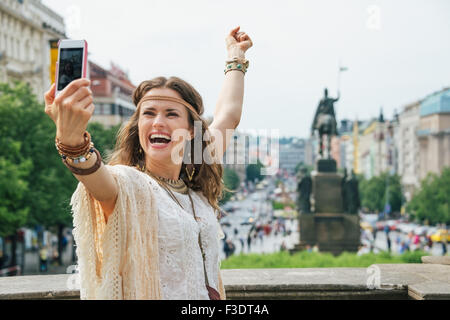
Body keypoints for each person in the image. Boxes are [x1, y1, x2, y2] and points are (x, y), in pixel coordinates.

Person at [43, 27, 253, 300]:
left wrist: (235, 58)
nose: (158, 122)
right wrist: (72, 141)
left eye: (171, 113)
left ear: (191, 130)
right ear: (138, 125)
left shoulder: (193, 176)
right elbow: (93, 174)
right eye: (149, 113)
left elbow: (227, 117)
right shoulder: (129, 186)